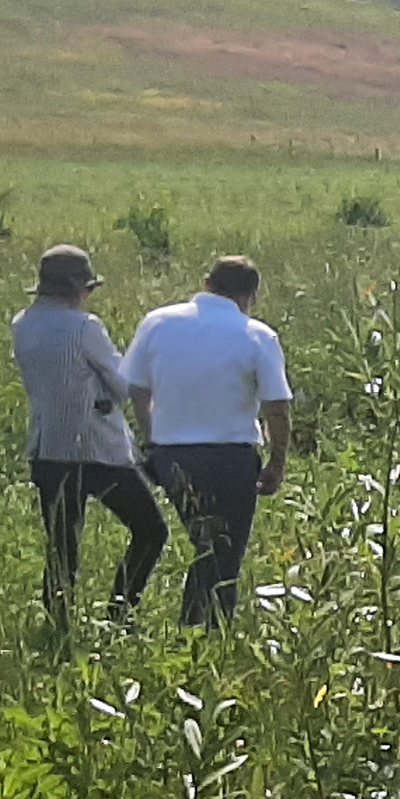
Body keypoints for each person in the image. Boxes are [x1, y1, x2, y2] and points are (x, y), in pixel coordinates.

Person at [120, 255, 293, 625]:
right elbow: (276, 407)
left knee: (208, 546)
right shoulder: (258, 336)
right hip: (231, 458)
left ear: (205, 284)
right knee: (221, 554)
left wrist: (152, 437)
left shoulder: (158, 322)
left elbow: (135, 386)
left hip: (172, 456)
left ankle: (196, 632)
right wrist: (277, 461)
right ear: (251, 296)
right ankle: (201, 634)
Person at [14, 243, 166, 633]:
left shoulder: (23, 323)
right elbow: (122, 383)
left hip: (48, 447)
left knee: (63, 544)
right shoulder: (84, 327)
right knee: (150, 530)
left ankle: (58, 624)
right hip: (97, 450)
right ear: (75, 288)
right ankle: (119, 615)